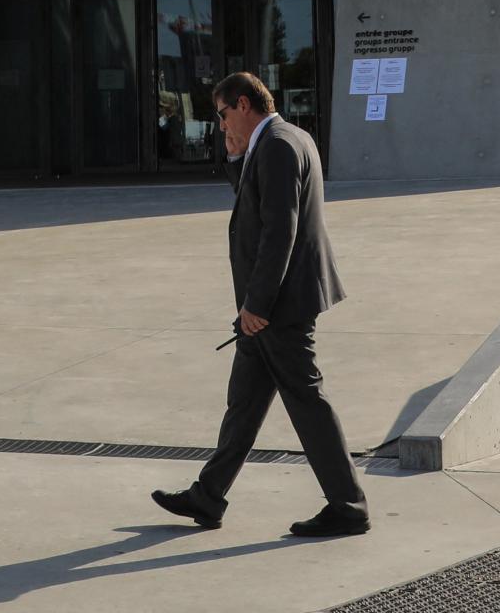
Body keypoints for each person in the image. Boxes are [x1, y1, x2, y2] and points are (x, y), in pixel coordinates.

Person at [152, 72, 369, 540]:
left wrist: (256, 303)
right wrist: (233, 154)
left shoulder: (277, 145)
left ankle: (349, 506)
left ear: (244, 103)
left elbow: (280, 230)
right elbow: (254, 202)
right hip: (270, 305)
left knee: (307, 401)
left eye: (224, 113)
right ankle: (207, 496)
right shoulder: (284, 139)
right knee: (244, 403)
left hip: (278, 307)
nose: (221, 123)